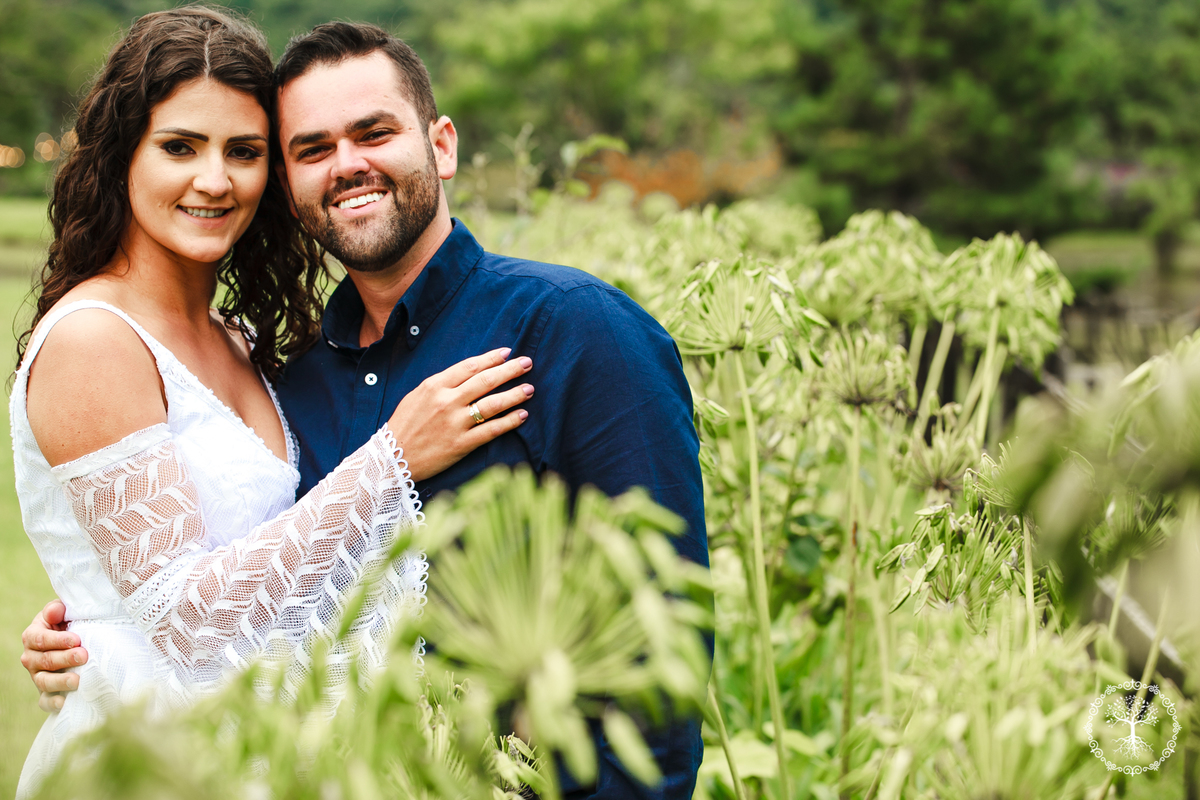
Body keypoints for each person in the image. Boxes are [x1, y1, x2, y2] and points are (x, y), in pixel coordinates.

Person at [23, 18, 710, 800]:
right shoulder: (297, 377)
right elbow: (224, 588)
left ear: (441, 146)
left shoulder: (574, 330)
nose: (347, 164)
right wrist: (103, 622)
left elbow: (663, 638)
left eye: (374, 133)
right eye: (312, 148)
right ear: (291, 186)